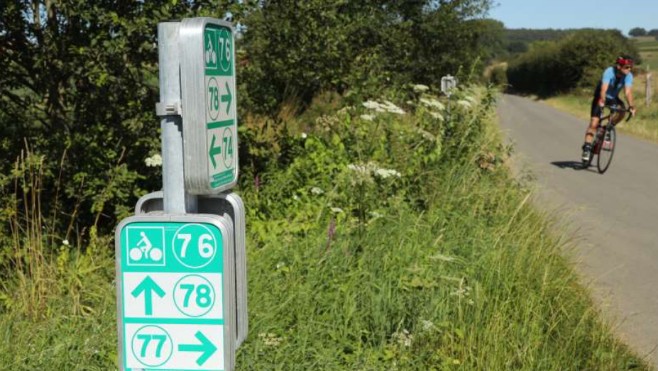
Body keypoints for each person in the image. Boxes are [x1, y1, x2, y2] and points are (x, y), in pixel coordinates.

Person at [581, 55, 637, 162]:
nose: (629, 69)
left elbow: (627, 92)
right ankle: (587, 148)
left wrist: (631, 106)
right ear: (619, 66)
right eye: (626, 67)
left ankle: (608, 127)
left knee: (622, 112)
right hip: (601, 96)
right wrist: (602, 100)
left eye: (630, 67)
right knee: (594, 123)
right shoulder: (609, 72)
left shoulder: (629, 76)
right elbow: (603, 89)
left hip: (613, 97)